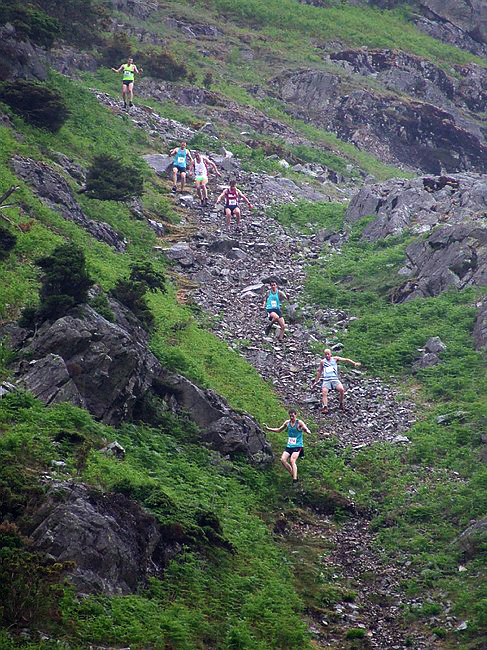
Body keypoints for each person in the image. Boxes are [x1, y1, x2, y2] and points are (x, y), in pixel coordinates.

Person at [264, 409, 310, 485]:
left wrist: (307, 431)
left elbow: (307, 429)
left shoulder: (299, 423)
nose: (291, 417)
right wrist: (269, 429)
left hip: (298, 445)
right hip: (289, 445)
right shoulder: (287, 423)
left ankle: (295, 481)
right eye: (290, 415)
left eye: (293, 415)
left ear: (296, 415)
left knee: (292, 460)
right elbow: (279, 430)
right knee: (283, 460)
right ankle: (294, 475)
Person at [311, 348, 361, 413]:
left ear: (330, 354)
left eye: (328, 354)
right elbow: (319, 371)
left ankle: (341, 404)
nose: (327, 356)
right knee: (324, 392)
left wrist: (354, 363)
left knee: (342, 389)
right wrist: (316, 381)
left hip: (334, 379)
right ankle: (325, 407)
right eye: (325, 354)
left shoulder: (335, 359)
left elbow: (345, 360)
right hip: (326, 379)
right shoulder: (322, 362)